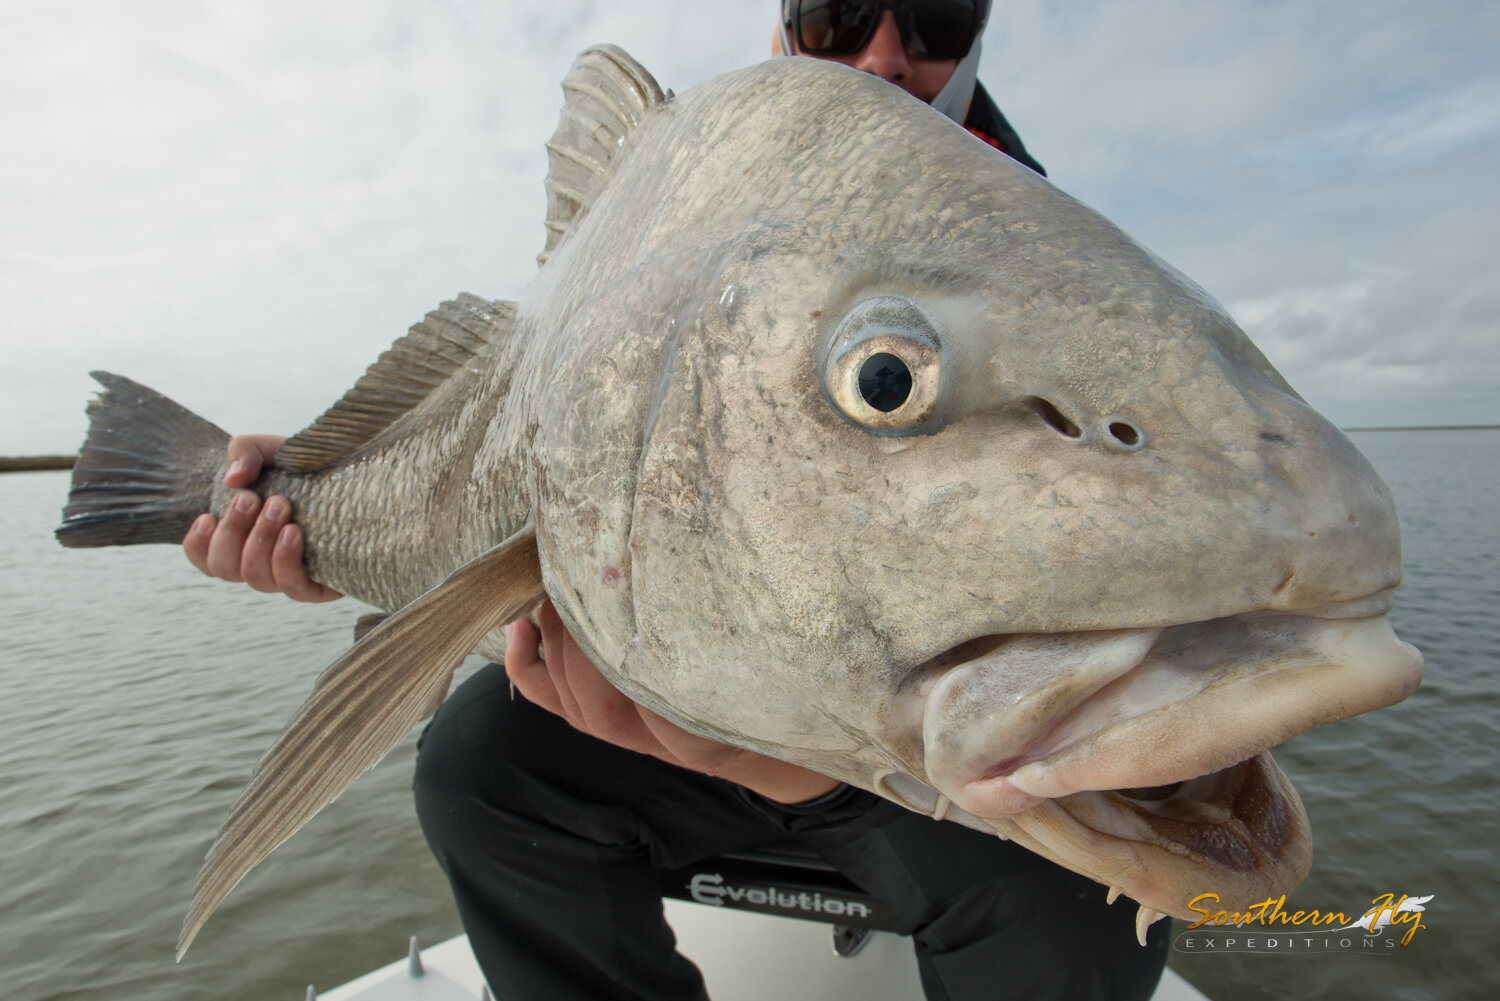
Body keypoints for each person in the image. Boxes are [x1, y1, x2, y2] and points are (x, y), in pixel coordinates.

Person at [183, 3, 1168, 998]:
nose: (882, 55)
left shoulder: (1059, 275)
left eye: (936, 16)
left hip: (912, 761)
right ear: (783, 23)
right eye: (835, 12)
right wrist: (321, 499)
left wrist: (799, 756)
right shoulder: (680, 217)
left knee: (1094, 892)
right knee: (475, 767)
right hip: (659, 711)